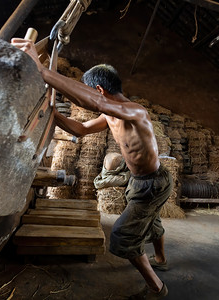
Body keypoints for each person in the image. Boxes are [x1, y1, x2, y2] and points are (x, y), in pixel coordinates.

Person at [11, 38, 172, 299]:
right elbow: (82, 129)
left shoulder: (134, 111)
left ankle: (157, 288)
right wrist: (55, 114)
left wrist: (42, 72)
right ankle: (162, 259)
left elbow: (96, 104)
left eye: (91, 92)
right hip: (141, 180)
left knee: (122, 235)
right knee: (151, 220)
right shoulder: (111, 114)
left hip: (154, 182)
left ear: (99, 89)